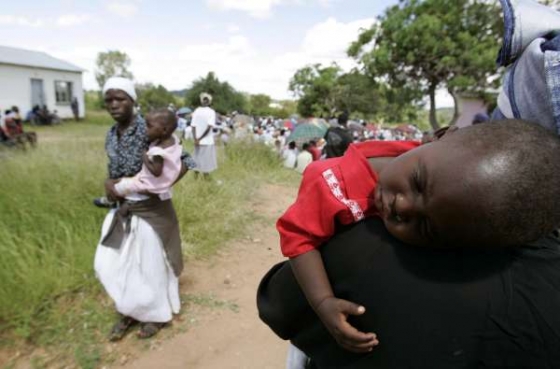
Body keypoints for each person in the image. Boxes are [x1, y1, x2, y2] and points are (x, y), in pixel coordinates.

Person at [277, 119, 560, 354]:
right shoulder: (330, 181)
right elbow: (299, 237)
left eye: (425, 227)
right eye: (418, 182)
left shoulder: (447, 169)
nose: (402, 206)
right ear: (439, 136)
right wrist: (323, 301)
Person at [94, 76, 194, 341]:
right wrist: (110, 183)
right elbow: (114, 170)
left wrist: (158, 187)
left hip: (150, 209)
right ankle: (130, 309)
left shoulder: (150, 127)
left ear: (132, 101)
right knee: (116, 263)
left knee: (150, 263)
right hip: (122, 207)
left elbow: (187, 160)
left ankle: (156, 314)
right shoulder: (111, 134)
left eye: (120, 99)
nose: (114, 105)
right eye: (109, 100)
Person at [112, 109, 182, 199]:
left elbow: (156, 171)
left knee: (120, 185)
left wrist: (144, 155)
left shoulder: (158, 152)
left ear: (164, 130)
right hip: (163, 182)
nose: (145, 129)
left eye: (149, 126)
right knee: (122, 180)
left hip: (151, 184)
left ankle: (110, 200)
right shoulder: (173, 139)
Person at [191, 93, 218, 179]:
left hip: (197, 140)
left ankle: (195, 177)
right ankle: (206, 178)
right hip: (207, 140)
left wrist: (196, 138)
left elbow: (193, 126)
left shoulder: (196, 111)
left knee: (197, 158)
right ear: (209, 102)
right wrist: (200, 138)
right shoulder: (211, 112)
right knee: (206, 160)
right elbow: (209, 127)